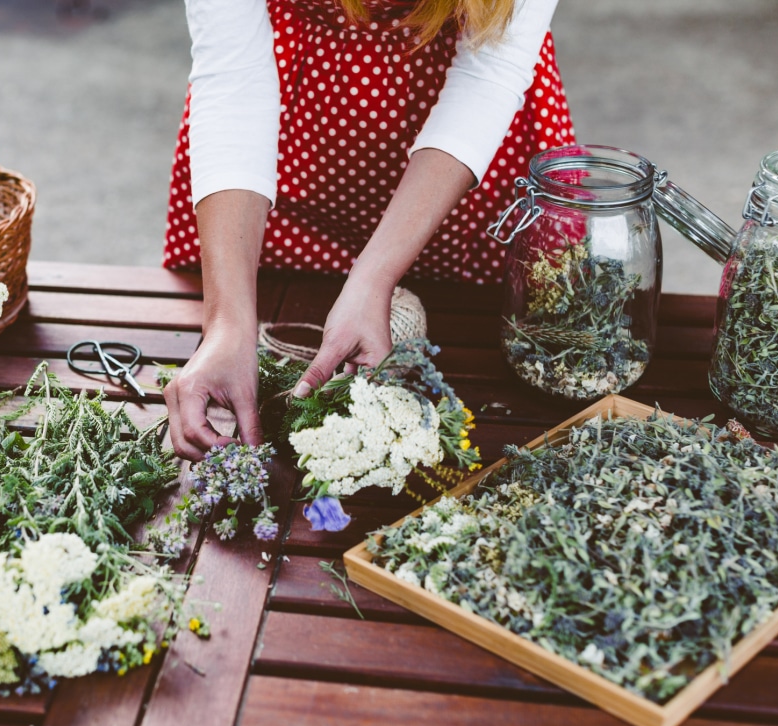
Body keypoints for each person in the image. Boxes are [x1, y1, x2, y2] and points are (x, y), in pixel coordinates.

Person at [162, 0, 575, 460]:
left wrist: (373, 278)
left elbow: (489, 75)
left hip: (458, 159)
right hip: (298, 136)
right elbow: (232, 78)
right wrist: (227, 323)